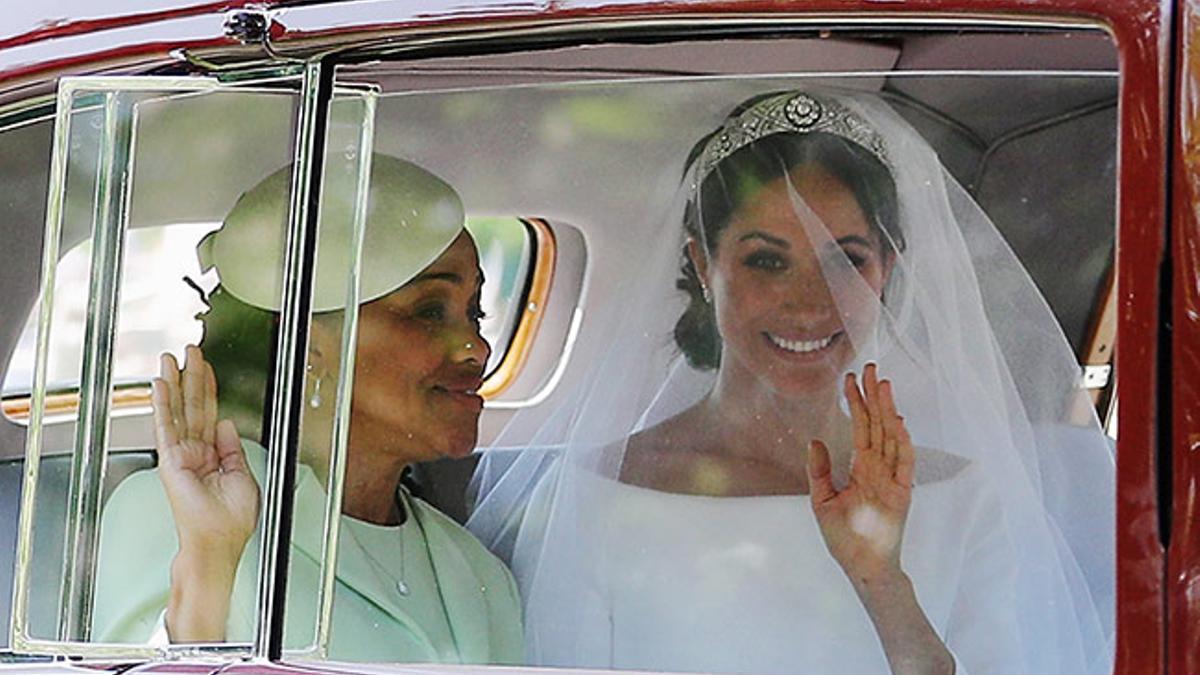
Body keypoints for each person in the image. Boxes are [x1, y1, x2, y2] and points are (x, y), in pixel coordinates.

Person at [468, 90, 1114, 674]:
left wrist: (882, 582)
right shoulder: (592, 494)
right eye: (766, 260)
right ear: (702, 261)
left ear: (886, 267)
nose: (810, 303)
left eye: (846, 259)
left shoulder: (967, 499)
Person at [93, 154, 523, 664]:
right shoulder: (177, 510)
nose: (476, 347)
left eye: (474, 313)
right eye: (430, 311)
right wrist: (208, 562)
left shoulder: (480, 573)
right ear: (311, 348)